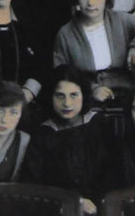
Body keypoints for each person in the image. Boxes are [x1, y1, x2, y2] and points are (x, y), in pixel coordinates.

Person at [52, 0, 135, 107]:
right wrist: (91, 89)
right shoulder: (66, 34)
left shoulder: (121, 20)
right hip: (86, 101)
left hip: (127, 96)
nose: (91, 3)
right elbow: (61, 74)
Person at [23, 66, 110, 198]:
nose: (67, 103)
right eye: (60, 96)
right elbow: (36, 185)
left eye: (74, 95)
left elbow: (110, 176)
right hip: (57, 207)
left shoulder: (98, 125)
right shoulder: (42, 134)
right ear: (50, 96)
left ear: (83, 94)